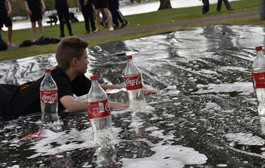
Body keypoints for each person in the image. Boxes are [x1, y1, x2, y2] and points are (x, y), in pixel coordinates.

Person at [0, 36, 157, 119]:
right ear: (75, 61)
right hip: (6, 102)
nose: (88, 62)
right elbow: (72, 106)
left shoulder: (73, 76)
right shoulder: (58, 78)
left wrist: (133, 89)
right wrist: (113, 105)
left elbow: (98, 87)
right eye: (86, 58)